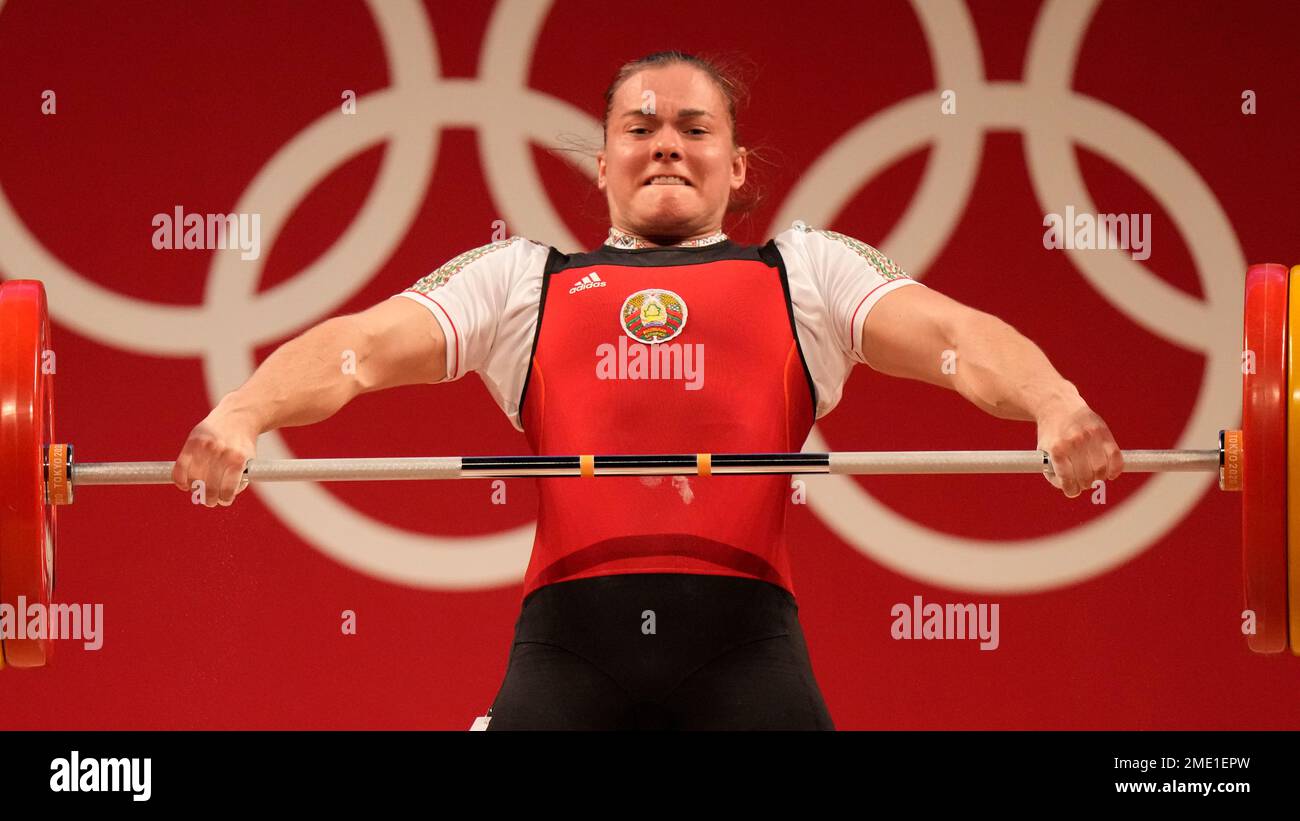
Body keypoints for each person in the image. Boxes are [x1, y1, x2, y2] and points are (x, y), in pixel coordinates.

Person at [172, 51, 1124, 730]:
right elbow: (362, 349)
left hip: (747, 643)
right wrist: (243, 411)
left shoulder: (809, 273)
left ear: (737, 165)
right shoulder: (520, 282)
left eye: (693, 127)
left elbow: (958, 340)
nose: (665, 143)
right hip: (568, 648)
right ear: (602, 163)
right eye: (639, 127)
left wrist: (1055, 399)